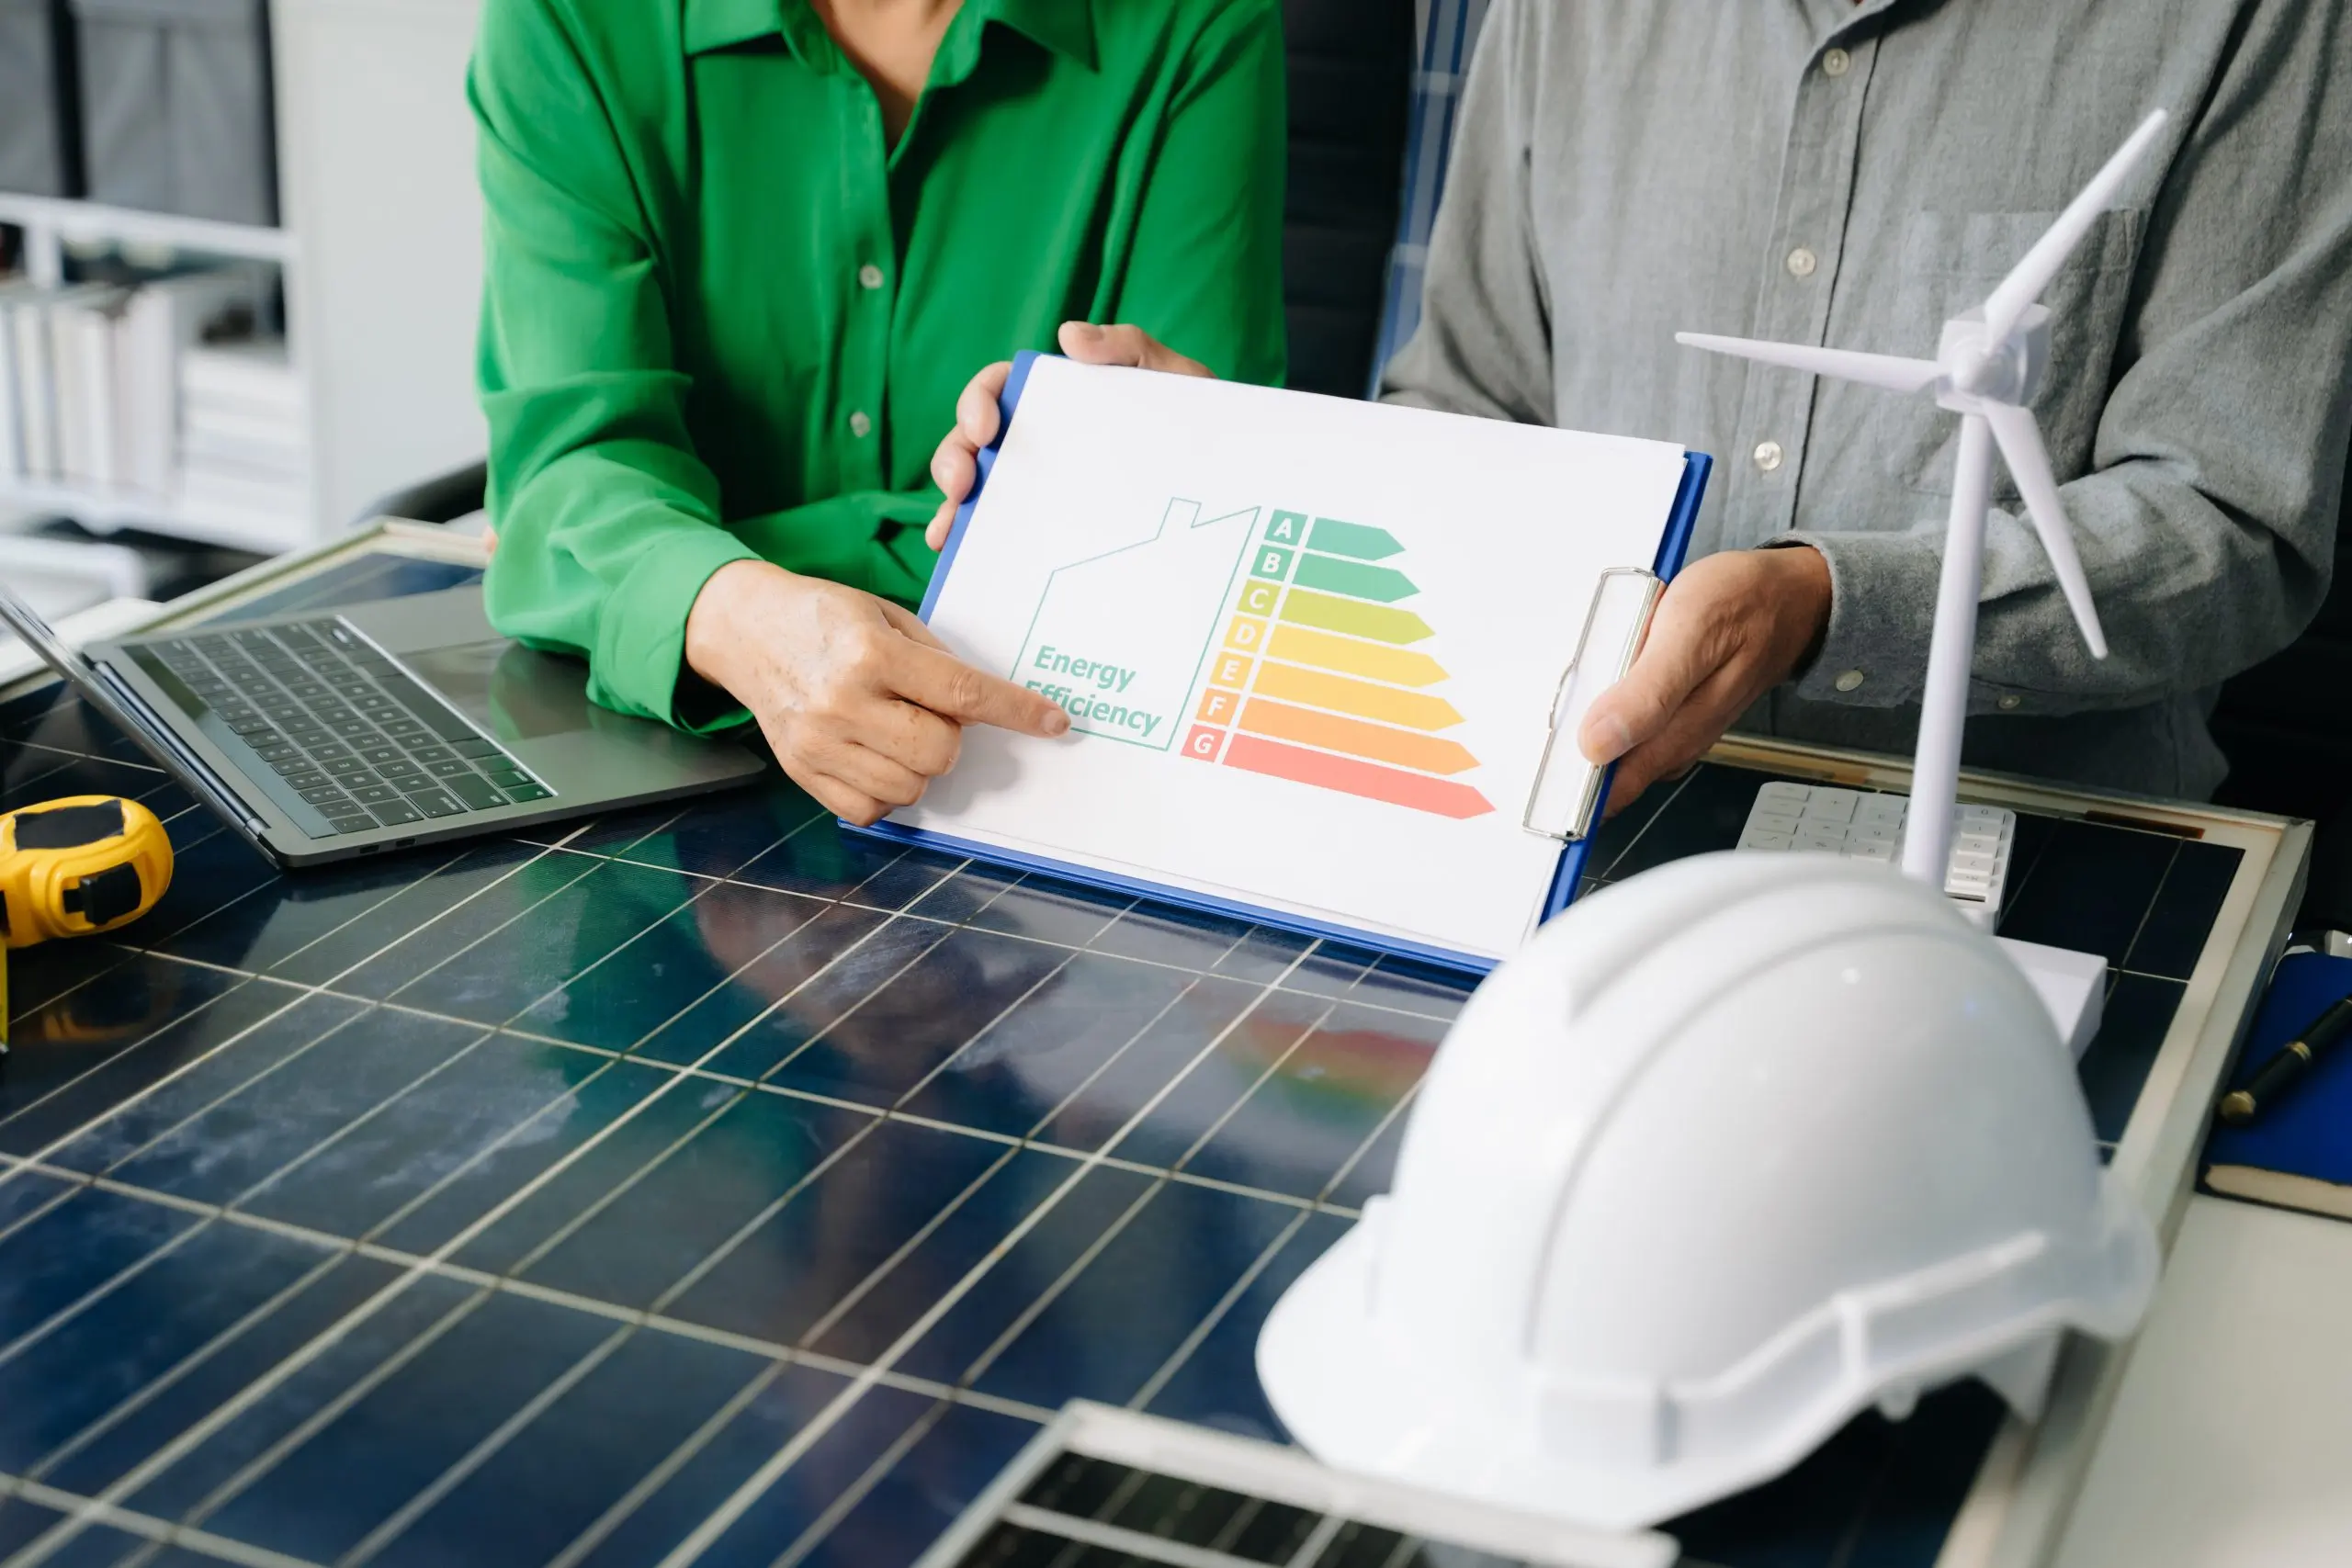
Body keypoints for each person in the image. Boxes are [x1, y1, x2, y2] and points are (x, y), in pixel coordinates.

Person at [931, 0, 2352, 811]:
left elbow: (2233, 520)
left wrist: (1819, 605)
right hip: (1557, 821)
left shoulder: (2256, 18)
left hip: (2035, 845)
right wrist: (1249, 461)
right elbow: (1474, 406)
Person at [469, 0, 1287, 825]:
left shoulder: (1197, 20)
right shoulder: (567, 19)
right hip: (651, 747)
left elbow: (1187, 542)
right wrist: (743, 619)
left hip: (1046, 766)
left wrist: (671, 578)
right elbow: (568, 470)